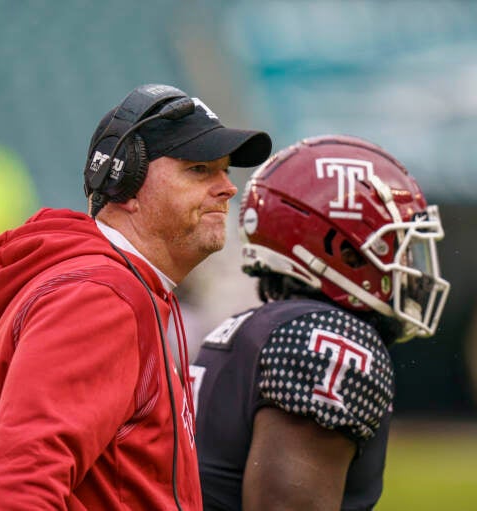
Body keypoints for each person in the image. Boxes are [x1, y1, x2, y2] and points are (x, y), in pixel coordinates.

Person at [0, 83, 272, 510]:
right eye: (200, 169)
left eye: (225, 170)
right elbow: (17, 491)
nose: (227, 187)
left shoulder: (116, 287)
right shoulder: (102, 297)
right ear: (128, 185)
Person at [191, 134, 451, 511]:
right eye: (397, 244)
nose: (409, 266)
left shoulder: (248, 329)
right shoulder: (326, 338)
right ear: (344, 248)